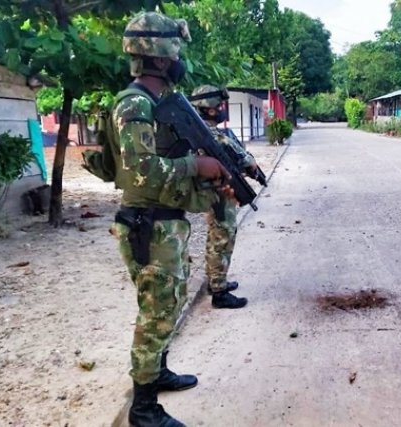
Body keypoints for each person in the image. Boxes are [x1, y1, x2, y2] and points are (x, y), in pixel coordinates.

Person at [111, 12, 232, 427]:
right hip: (148, 224)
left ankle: (157, 373)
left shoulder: (156, 106)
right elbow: (143, 171)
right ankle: (143, 411)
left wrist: (210, 182)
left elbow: (165, 171)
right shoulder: (135, 104)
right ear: (161, 56)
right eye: (176, 50)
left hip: (164, 223)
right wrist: (196, 165)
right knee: (155, 314)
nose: (181, 60)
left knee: (168, 306)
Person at [189, 85, 259, 310]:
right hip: (218, 193)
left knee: (215, 235)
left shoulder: (197, 132)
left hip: (212, 191)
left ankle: (215, 281)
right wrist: (252, 165)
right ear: (208, 109)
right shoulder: (210, 133)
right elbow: (242, 158)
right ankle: (219, 292)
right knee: (223, 236)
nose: (222, 110)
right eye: (219, 106)